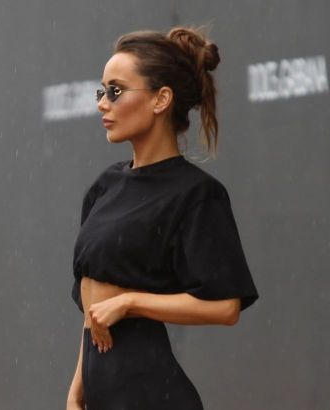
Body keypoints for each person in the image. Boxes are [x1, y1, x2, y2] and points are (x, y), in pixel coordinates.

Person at [66, 26, 259, 410]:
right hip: (103, 394)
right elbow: (92, 307)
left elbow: (226, 307)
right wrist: (76, 392)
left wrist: (131, 303)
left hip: (150, 394)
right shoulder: (104, 187)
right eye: (100, 92)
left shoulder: (196, 194)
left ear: (161, 99)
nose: (102, 103)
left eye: (115, 91)